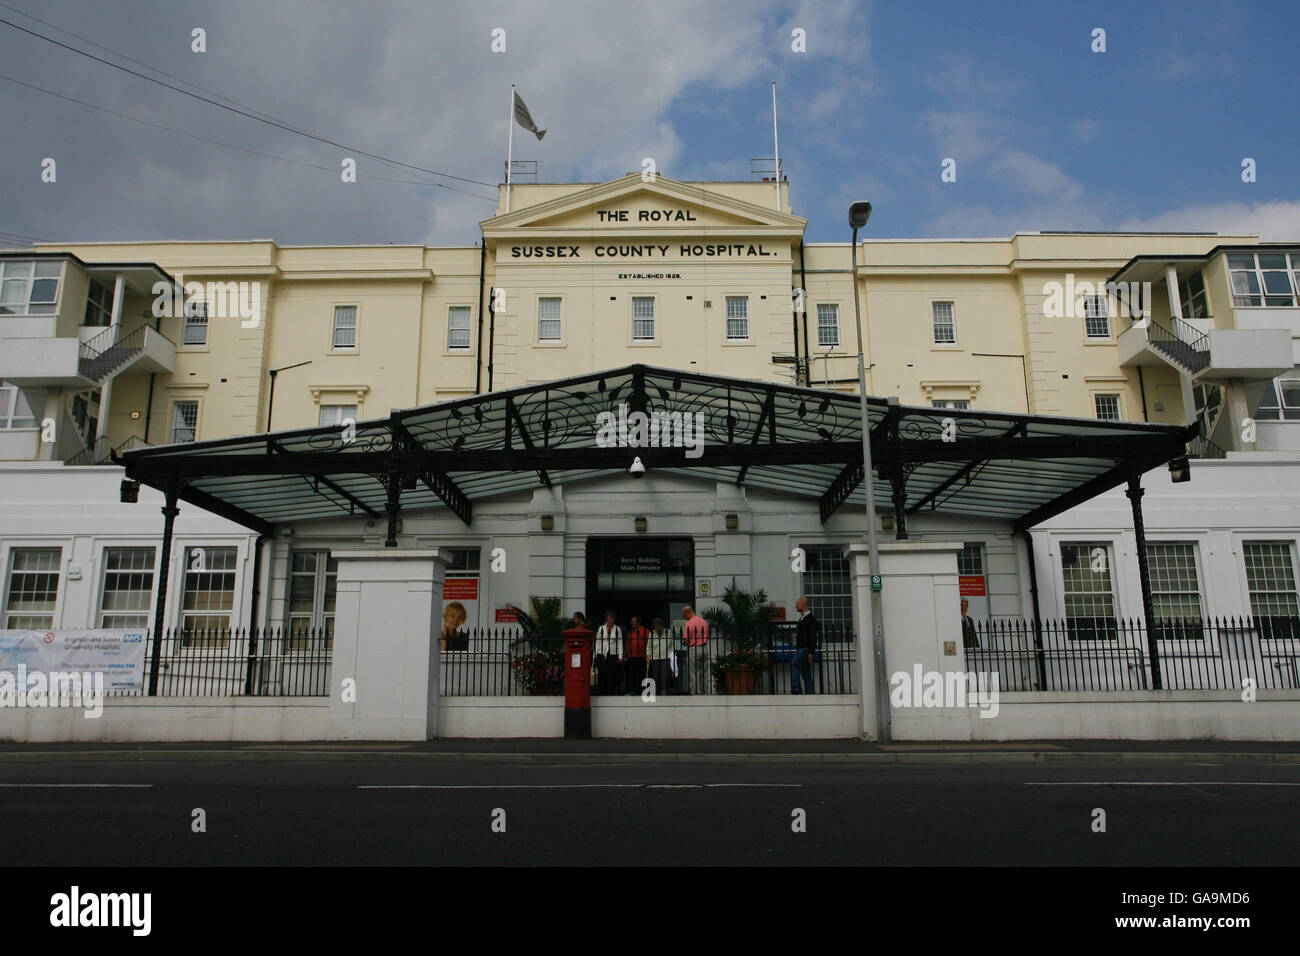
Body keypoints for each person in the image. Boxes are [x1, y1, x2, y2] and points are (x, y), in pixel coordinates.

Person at [791, 595, 819, 694]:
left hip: (805, 649)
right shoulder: (802, 618)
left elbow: (813, 636)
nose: (795, 606)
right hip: (801, 649)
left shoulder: (810, 618)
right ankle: (810, 694)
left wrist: (811, 652)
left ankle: (796, 688)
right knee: (806, 673)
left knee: (794, 663)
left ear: (803, 604)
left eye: (797, 604)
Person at [681, 605, 711, 695]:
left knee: (693, 672)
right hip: (704, 648)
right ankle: (705, 692)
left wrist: (683, 642)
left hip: (694, 649)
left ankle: (696, 693)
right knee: (704, 672)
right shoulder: (704, 622)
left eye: (684, 616)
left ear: (687, 613)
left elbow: (686, 640)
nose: (684, 618)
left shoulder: (689, 623)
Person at [593, 611, 623, 696]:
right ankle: (602, 692)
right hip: (602, 653)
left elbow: (620, 642)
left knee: (612, 674)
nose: (610, 620)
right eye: (608, 618)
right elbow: (597, 642)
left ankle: (611, 692)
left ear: (614, 619)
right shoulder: (601, 628)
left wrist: (620, 655)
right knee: (602, 673)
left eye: (611, 618)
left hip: (613, 653)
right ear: (606, 619)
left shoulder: (617, 629)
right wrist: (594, 655)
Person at [646, 617, 672, 696]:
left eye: (658, 626)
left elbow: (671, 645)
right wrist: (648, 655)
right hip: (655, 657)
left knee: (664, 675)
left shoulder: (668, 632)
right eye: (655, 627)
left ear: (661, 625)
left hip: (665, 657)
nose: (656, 629)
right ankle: (656, 691)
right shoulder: (652, 633)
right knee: (656, 675)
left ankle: (664, 691)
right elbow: (649, 646)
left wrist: (671, 655)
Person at [624, 615, 649, 695]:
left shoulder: (644, 630)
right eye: (631, 622)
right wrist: (625, 655)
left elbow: (649, 642)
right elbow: (627, 644)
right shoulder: (630, 632)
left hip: (642, 656)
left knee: (641, 674)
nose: (632, 624)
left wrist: (648, 654)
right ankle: (632, 690)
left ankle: (641, 690)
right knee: (632, 674)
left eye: (634, 622)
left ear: (638, 622)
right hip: (631, 656)